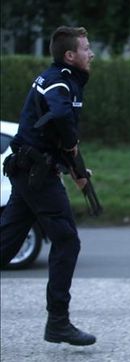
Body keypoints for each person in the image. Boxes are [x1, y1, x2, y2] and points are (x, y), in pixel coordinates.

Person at [0, 26, 96, 346]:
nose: (91, 53)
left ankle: (58, 322)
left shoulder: (59, 77)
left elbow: (57, 134)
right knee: (67, 241)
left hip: (29, 168)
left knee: (6, 244)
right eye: (86, 48)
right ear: (70, 55)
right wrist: (70, 150)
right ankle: (58, 322)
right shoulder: (58, 81)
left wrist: (75, 169)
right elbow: (59, 118)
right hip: (36, 173)